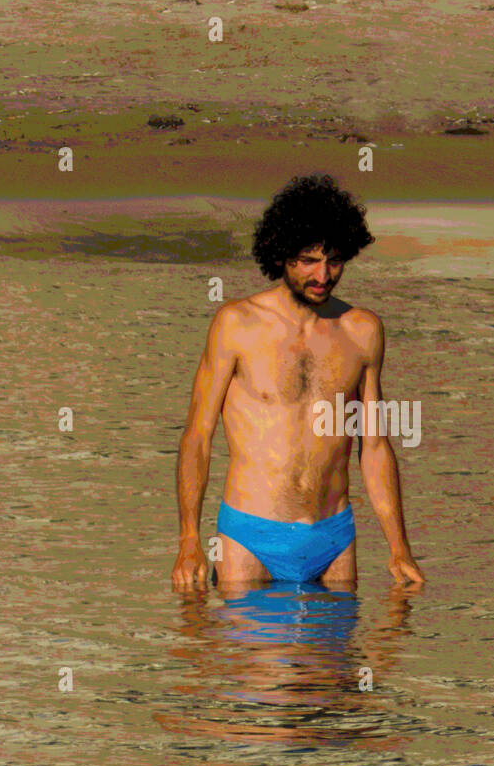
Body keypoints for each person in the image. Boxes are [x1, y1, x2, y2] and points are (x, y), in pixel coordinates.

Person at [172, 173, 424, 587]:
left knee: (349, 652)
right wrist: (188, 540)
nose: (323, 275)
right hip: (249, 537)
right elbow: (198, 435)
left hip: (333, 538)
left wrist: (399, 549)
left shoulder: (362, 331)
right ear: (280, 254)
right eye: (308, 260)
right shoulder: (235, 324)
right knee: (246, 650)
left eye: (335, 260)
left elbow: (374, 445)